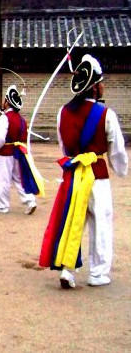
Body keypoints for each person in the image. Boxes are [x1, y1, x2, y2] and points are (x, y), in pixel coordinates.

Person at [39, 54, 127, 288]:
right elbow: (117, 150)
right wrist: (121, 170)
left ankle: (68, 269)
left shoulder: (62, 113)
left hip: (72, 174)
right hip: (97, 175)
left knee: (71, 219)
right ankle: (97, 273)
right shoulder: (106, 114)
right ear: (96, 87)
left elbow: (63, 146)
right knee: (100, 222)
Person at [0, 85, 43, 215]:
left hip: (6, 152)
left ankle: (1, 206)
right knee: (20, 179)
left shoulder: (5, 118)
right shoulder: (21, 120)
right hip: (19, 153)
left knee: (1, 179)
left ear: (7, 102)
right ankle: (30, 201)